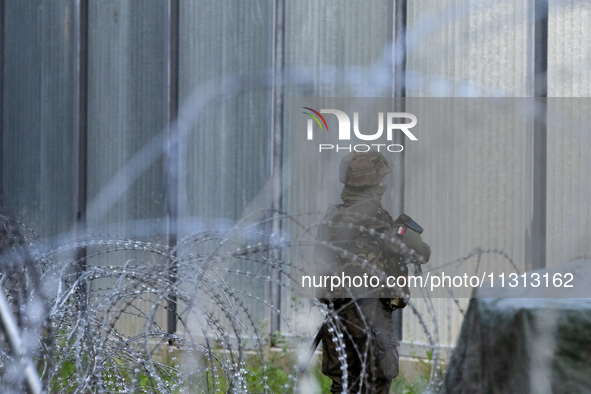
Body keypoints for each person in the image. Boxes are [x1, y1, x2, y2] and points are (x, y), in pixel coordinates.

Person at [315, 150, 431, 393]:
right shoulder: (378, 220)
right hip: (371, 315)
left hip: (336, 313)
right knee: (377, 383)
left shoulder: (332, 217)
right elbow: (421, 253)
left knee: (343, 385)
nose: (385, 183)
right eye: (381, 179)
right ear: (370, 182)